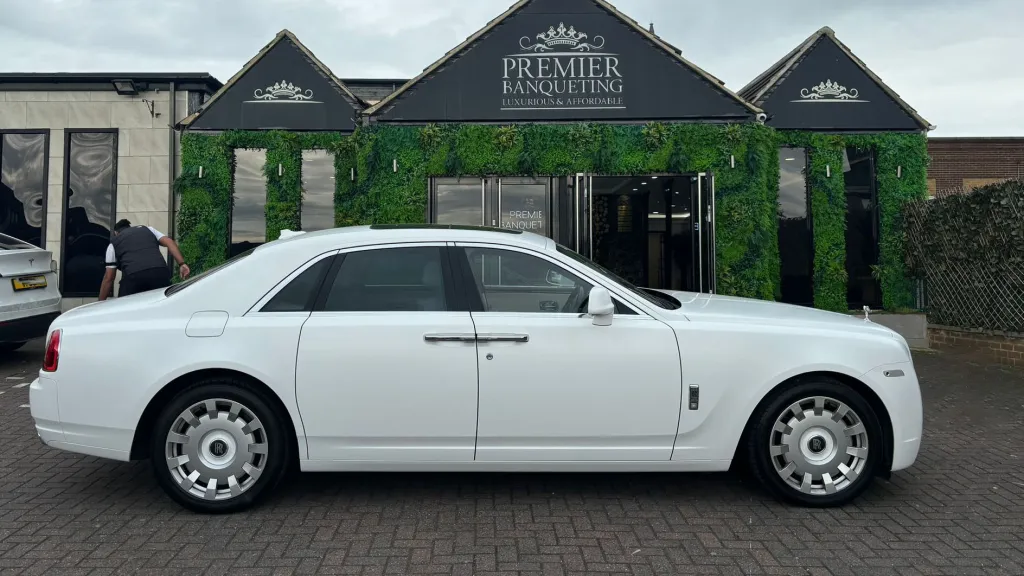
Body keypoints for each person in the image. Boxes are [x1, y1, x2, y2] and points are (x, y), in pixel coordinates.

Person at [99, 219, 190, 301]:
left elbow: (109, 278)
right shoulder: (148, 229)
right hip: (159, 272)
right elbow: (169, 242)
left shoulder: (113, 243)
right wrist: (182, 264)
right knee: (162, 303)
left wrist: (100, 303)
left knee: (125, 307)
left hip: (134, 277)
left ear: (116, 233)